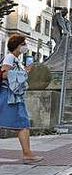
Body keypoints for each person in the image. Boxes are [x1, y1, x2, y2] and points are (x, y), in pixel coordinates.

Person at [0, 35, 42, 163]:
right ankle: (27, 153)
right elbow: (4, 74)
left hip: (13, 96)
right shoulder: (10, 57)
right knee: (23, 123)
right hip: (9, 96)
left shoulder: (16, 59)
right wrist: (24, 73)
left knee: (22, 123)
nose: (25, 46)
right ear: (17, 46)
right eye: (23, 44)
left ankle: (27, 153)